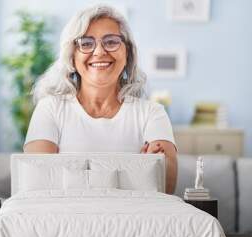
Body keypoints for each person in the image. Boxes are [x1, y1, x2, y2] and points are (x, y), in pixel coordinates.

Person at [23, 4, 178, 194]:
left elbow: (164, 189)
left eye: (111, 41)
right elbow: (38, 188)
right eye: (86, 43)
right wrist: (136, 173)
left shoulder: (152, 113)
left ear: (127, 52)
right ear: (72, 56)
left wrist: (72, 176)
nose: (99, 52)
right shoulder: (50, 109)